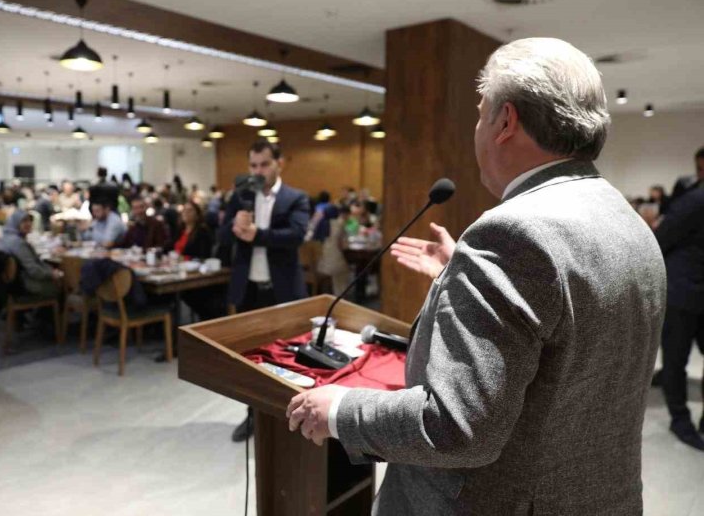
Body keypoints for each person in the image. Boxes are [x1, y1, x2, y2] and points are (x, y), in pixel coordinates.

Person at [286, 38, 666, 515]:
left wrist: (341, 410)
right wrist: (456, 274)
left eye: (480, 112)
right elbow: (570, 333)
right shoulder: (625, 218)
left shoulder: (513, 234)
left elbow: (458, 428)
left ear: (505, 121)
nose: (476, 128)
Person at [220, 139, 309, 441]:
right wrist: (234, 226)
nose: (258, 171)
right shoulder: (242, 195)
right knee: (250, 359)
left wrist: (257, 234)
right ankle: (252, 415)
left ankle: (288, 418)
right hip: (249, 290)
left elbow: (295, 235)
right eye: (253, 165)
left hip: (281, 291)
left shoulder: (295, 197)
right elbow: (221, 236)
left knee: (284, 358)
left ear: (278, 163)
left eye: (264, 164)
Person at [655, 180, 704, 449]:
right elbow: (661, 238)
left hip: (689, 288)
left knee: (676, 359)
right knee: (676, 359)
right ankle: (680, 419)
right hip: (684, 292)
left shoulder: (694, 199)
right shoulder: (695, 200)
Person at [0, 211, 61, 298]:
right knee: (61, 286)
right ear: (16, 223)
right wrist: (52, 273)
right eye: (24, 221)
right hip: (24, 286)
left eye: (30, 221)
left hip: (8, 286)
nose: (29, 224)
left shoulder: (5, 238)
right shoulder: (18, 243)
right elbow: (34, 270)